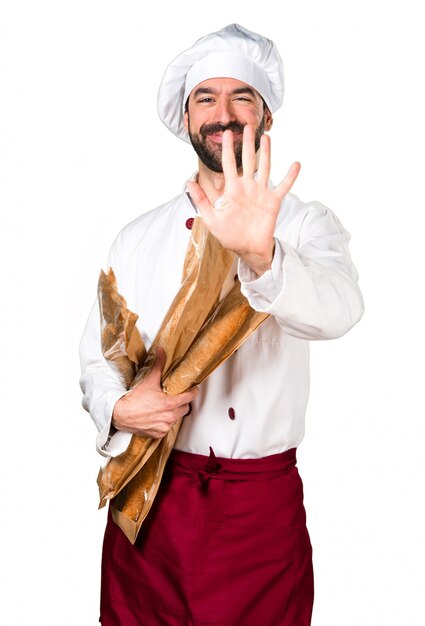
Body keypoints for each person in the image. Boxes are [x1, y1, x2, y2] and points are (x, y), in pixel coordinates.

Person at [79, 23, 364, 626]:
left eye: (243, 97)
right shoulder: (136, 237)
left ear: (266, 118)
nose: (224, 113)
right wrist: (119, 409)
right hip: (152, 498)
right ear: (186, 119)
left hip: (259, 509)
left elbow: (340, 310)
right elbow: (98, 357)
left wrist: (263, 256)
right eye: (206, 98)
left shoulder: (305, 225)